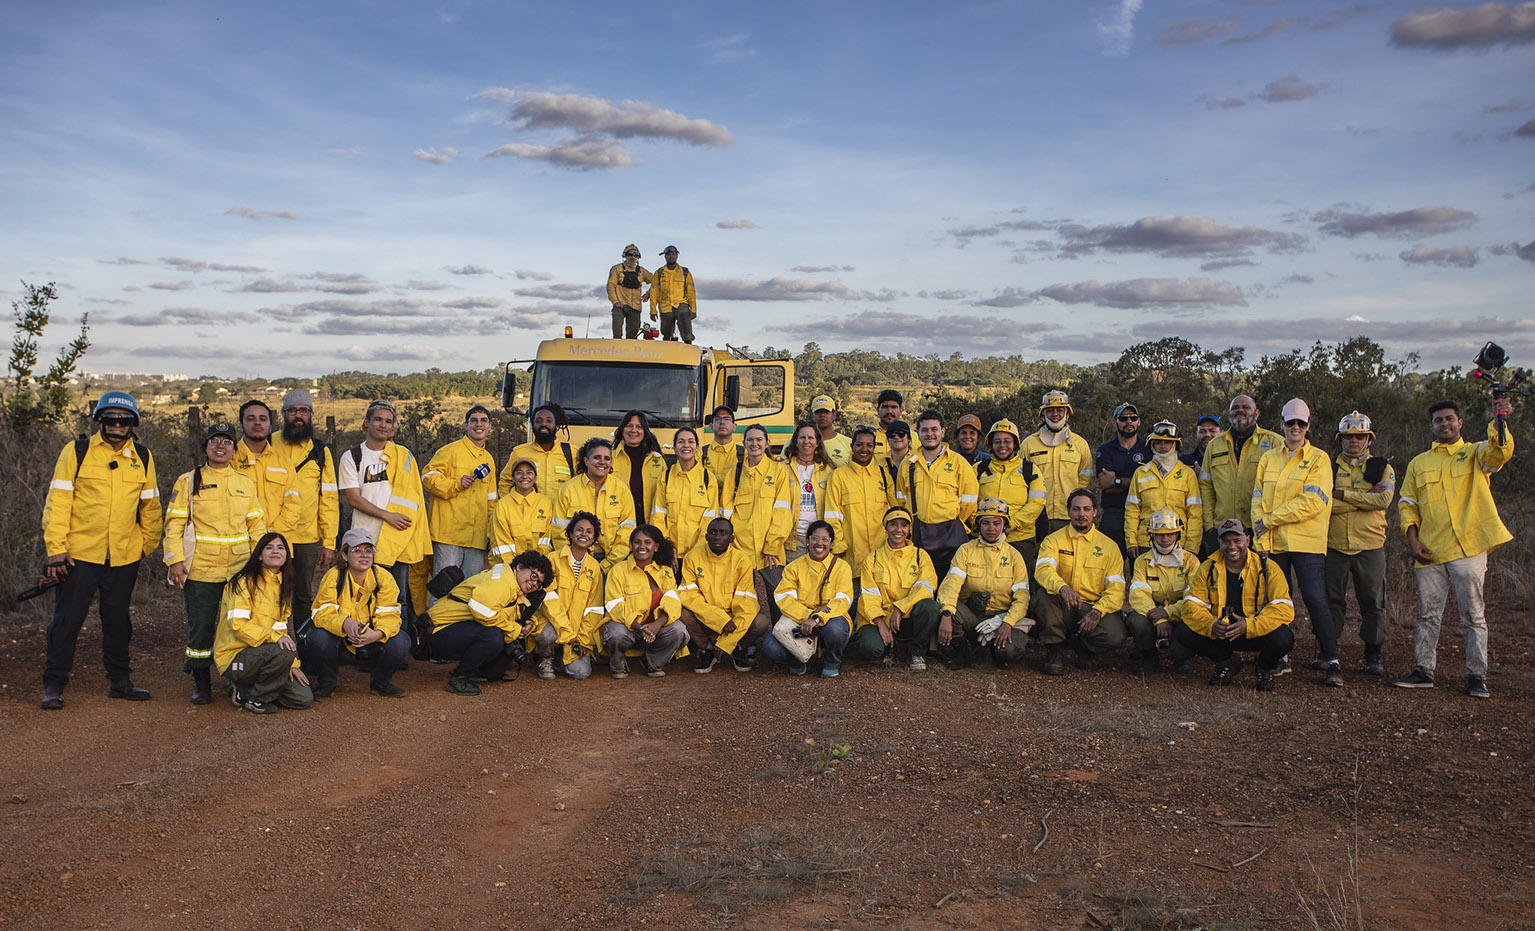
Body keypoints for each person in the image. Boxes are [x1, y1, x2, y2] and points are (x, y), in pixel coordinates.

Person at [39, 391, 163, 709]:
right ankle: (54, 684)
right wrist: (56, 549)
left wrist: (143, 547)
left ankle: (120, 682)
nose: (117, 425)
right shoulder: (77, 451)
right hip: (78, 555)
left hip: (124, 556)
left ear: (132, 423)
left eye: (123, 420)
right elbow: (58, 503)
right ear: (100, 420)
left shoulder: (143, 457)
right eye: (110, 419)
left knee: (118, 621)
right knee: (66, 621)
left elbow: (150, 508)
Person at [1393, 397, 1514, 699]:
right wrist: (1412, 540)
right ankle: (1423, 670)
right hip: (1430, 551)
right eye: (1438, 420)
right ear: (1432, 426)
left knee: (1473, 616)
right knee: (1428, 615)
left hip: (1468, 549)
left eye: (1449, 419)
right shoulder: (1419, 464)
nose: (1444, 424)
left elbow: (1498, 453)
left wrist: (1500, 418)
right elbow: (1407, 504)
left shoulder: (1474, 453)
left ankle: (1477, 676)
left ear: (1459, 422)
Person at [165, 422, 266, 704]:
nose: (220, 447)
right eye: (214, 441)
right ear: (206, 447)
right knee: (202, 627)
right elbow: (174, 524)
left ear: (235, 449)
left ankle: (236, 679)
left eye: (227, 442)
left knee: (239, 624)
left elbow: (256, 523)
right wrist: (175, 560)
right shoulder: (189, 481)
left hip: (239, 568)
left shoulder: (244, 483)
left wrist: (261, 559)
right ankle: (201, 682)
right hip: (201, 569)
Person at [1252, 398, 1340, 686]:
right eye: (1290, 422)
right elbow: (1257, 501)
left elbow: (1313, 502)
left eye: (1301, 423)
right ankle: (1281, 658)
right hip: (1273, 544)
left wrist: (1271, 519)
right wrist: (1260, 537)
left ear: (1308, 426)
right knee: (1277, 601)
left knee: (1315, 599)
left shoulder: (1319, 459)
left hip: (1307, 543)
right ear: (1282, 424)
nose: (1295, 427)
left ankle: (1332, 660)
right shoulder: (1269, 458)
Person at [337, 400, 432, 645]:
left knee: (396, 596)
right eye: (377, 419)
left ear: (394, 428)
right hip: (364, 539)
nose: (382, 424)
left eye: (388, 421)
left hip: (397, 538)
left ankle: (394, 646)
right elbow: (353, 499)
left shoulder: (404, 455)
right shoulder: (352, 457)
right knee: (364, 595)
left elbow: (415, 497)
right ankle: (362, 646)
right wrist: (387, 515)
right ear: (366, 423)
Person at [1179, 518, 1296, 692]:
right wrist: (1210, 625)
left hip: (1255, 631)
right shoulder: (1207, 568)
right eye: (1226, 541)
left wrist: (1249, 625)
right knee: (1183, 631)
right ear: (1219, 542)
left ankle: (1264, 669)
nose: (1231, 546)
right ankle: (1227, 662)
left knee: (1284, 637)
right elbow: (1191, 606)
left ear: (1247, 540)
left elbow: (1284, 609)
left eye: (1237, 541)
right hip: (1222, 632)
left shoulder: (1268, 568)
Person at [1326, 411, 1395, 676]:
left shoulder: (1381, 467)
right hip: (1334, 545)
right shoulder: (1328, 467)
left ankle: (1373, 654)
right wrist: (1363, 498)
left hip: (1370, 544)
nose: (1354, 440)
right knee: (1331, 600)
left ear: (1369, 438)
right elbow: (1323, 504)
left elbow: (1382, 501)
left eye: (1359, 436)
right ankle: (1328, 652)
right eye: (1348, 436)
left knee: (1373, 601)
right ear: (1340, 439)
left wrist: (1342, 494)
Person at [214, 532, 313, 714]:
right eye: (269, 547)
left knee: (302, 698)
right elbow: (238, 626)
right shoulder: (243, 582)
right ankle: (257, 699)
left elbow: (284, 629)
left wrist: (292, 665)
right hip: (235, 655)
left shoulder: (284, 586)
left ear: (286, 556)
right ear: (259, 555)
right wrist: (276, 642)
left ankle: (244, 690)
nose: (275, 551)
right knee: (283, 650)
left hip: (268, 655)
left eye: (280, 548)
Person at [430, 551, 554, 694]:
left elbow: (514, 612)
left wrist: (529, 623)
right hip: (438, 629)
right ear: (519, 566)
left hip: (459, 628)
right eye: (533, 576)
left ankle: (477, 670)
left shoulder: (515, 585)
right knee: (493, 636)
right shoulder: (502, 581)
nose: (534, 584)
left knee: (497, 668)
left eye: (539, 583)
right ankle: (459, 677)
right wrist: (515, 629)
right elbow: (482, 611)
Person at [1032, 488, 1126, 675]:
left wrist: (1098, 612)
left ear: (1095, 512)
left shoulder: (1109, 546)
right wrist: (1062, 588)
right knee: (1043, 597)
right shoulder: (1053, 540)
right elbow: (1043, 570)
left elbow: (1116, 590)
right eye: (1076, 509)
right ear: (1068, 511)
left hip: (1092, 606)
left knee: (1116, 634)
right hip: (1062, 603)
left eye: (1086, 509)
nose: (1081, 514)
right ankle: (1054, 652)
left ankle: (1084, 648)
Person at [307, 527, 408, 699]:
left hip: (371, 640)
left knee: (401, 642)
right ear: (345, 555)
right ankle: (327, 684)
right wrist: (345, 623)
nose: (364, 555)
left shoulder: (383, 577)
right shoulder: (334, 576)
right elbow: (321, 614)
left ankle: (381, 682)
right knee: (318, 638)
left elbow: (390, 614)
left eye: (369, 550)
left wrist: (377, 634)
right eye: (357, 550)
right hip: (341, 641)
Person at [272, 389, 339, 643]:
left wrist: (329, 542)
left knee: (301, 595)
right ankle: (272, 648)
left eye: (303, 411)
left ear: (311, 414)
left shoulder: (321, 452)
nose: (298, 416)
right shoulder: (268, 444)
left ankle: (304, 648)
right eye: (292, 411)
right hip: (271, 536)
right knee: (269, 593)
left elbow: (329, 500)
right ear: (283, 414)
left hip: (307, 538)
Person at [936, 498, 1031, 670]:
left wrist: (1007, 622)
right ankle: (961, 651)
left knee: (1009, 651)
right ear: (978, 525)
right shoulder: (966, 550)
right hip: (974, 616)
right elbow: (951, 584)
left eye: (996, 523)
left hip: (1002, 617)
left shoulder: (1014, 556)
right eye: (985, 523)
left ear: (1004, 526)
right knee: (951, 610)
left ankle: (994, 650)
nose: (991, 528)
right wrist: (946, 614)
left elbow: (1022, 597)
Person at [722, 424, 796, 625]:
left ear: (767, 443)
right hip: (740, 548)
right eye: (750, 440)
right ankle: (748, 642)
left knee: (779, 596)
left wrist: (772, 546)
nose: (754, 444)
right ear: (744, 443)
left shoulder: (778, 471)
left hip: (770, 551)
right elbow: (726, 512)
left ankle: (782, 639)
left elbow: (783, 511)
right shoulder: (735, 473)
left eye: (759, 440)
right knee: (743, 599)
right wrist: (730, 544)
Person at [852, 507, 942, 670]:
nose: (898, 530)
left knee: (930, 608)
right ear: (886, 528)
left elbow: (926, 588)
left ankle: (916, 652)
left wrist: (900, 609)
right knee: (870, 648)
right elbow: (868, 596)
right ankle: (887, 648)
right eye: (893, 524)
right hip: (880, 619)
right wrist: (880, 622)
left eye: (904, 525)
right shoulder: (873, 558)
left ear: (909, 529)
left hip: (907, 617)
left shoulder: (920, 555)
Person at [894, 410, 979, 578]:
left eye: (934, 429)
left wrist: (953, 523)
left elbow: (970, 502)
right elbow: (901, 502)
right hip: (918, 538)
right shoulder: (908, 464)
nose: (929, 434)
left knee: (952, 586)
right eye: (924, 430)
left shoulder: (958, 463)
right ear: (917, 433)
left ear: (943, 432)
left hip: (952, 540)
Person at [680, 517, 767, 673]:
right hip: (706, 618)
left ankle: (737, 648)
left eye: (722, 533)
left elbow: (746, 603)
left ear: (732, 538)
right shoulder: (692, 557)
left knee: (760, 622)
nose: (717, 537)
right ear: (706, 536)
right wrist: (719, 619)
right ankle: (706, 649)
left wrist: (727, 642)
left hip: (733, 623)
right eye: (712, 532)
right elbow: (688, 595)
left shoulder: (742, 561)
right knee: (683, 614)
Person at [768, 520, 854, 676]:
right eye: (814, 538)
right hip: (801, 621)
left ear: (832, 543)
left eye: (825, 539)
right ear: (808, 541)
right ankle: (798, 659)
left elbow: (843, 600)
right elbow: (784, 598)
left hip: (828, 621)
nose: (819, 543)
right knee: (770, 646)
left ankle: (832, 662)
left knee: (837, 630)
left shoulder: (842, 567)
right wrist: (807, 615)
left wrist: (817, 618)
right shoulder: (794, 567)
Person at [601, 524, 689, 677]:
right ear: (631, 545)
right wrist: (638, 627)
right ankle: (618, 664)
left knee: (679, 630)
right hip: (628, 628)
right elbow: (614, 606)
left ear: (656, 547)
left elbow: (673, 602)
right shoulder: (618, 570)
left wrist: (657, 624)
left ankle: (651, 662)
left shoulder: (665, 571)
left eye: (647, 542)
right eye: (637, 542)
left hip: (654, 629)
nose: (642, 546)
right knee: (616, 634)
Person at [423, 405, 498, 578]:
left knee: (467, 592)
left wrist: (489, 534)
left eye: (483, 421)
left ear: (489, 427)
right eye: (474, 421)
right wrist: (456, 484)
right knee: (443, 592)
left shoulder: (488, 460)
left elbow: (491, 501)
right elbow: (427, 478)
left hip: (476, 539)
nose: (479, 425)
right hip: (449, 536)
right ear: (466, 425)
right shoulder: (449, 451)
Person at [1200, 395, 1280, 556]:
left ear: (1256, 414)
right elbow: (1206, 486)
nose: (1240, 410)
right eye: (1235, 408)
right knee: (1223, 579)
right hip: (1222, 528)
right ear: (1229, 414)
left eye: (1246, 407)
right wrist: (1209, 525)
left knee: (1258, 578)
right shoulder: (1214, 445)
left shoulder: (1274, 443)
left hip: (1259, 528)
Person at [824, 426, 895, 601]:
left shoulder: (883, 475)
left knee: (881, 601)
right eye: (859, 445)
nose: (864, 449)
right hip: (851, 554)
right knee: (852, 602)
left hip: (881, 554)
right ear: (852, 446)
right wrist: (838, 547)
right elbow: (833, 515)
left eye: (869, 445)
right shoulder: (839, 476)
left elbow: (895, 511)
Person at [1125, 508, 1196, 676]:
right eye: (1159, 534)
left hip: (1179, 612)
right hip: (1153, 613)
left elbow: (1193, 597)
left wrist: (1167, 613)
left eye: (1170, 534)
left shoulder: (1191, 561)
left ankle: (1180, 658)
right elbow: (1138, 594)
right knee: (1136, 620)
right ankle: (1149, 658)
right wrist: (1159, 619)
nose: (1165, 539)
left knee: (1193, 618)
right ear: (1152, 536)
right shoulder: (1142, 561)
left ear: (1178, 535)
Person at [553, 438, 636, 573]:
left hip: (611, 564)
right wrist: (574, 561)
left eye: (607, 458)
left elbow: (627, 533)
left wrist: (607, 564)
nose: (602, 462)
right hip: (574, 562)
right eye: (597, 457)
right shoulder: (568, 489)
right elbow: (558, 533)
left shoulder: (621, 490)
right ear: (586, 461)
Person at [1124, 420, 1202, 562]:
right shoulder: (1141, 473)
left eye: (1167, 442)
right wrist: (1131, 541)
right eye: (1158, 442)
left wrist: (1192, 546)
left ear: (1175, 445)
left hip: (1179, 543)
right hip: (1146, 543)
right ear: (1152, 445)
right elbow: (1132, 510)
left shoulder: (1187, 474)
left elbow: (1195, 513)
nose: (1163, 446)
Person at [1022, 391, 1096, 538]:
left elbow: (1084, 481)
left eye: (1059, 410)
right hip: (1037, 516)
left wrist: (1077, 508)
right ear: (1043, 414)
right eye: (1050, 410)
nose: (1055, 414)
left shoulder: (1080, 445)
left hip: (1069, 516)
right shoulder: (1028, 444)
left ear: (1067, 413)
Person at [544, 512, 606, 680]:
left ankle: (561, 658)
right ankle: (545, 658)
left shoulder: (595, 567)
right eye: (579, 530)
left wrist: (583, 640)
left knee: (581, 673)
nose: (583, 534)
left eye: (589, 532)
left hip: (577, 633)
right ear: (570, 533)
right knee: (546, 635)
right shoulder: (552, 560)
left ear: (594, 539)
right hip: (554, 624)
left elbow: (595, 609)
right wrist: (567, 633)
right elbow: (548, 602)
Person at [977, 419, 1046, 567]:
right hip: (984, 540)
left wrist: (1009, 525)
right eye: (998, 442)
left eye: (1007, 441)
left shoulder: (1030, 470)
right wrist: (981, 528)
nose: (1002, 446)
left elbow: (1036, 504)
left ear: (1015, 444)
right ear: (991, 444)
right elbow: (968, 502)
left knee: (1021, 584)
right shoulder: (978, 469)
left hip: (1021, 540)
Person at [233, 399, 300, 537]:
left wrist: (271, 536)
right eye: (250, 419)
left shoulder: (283, 462)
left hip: (278, 544)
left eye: (263, 419)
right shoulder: (230, 460)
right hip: (240, 545)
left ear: (270, 425)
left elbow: (293, 505)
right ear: (241, 424)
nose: (257, 423)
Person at [654, 426, 719, 558]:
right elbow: (658, 517)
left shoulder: (708, 479)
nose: (686, 445)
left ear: (697, 447)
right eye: (681, 442)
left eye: (690, 441)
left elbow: (710, 518)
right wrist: (667, 549)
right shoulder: (665, 478)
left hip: (699, 554)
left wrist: (698, 550)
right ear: (674, 447)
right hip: (670, 554)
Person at [1096, 402, 1148, 558]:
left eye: (1133, 417)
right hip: (1113, 516)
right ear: (1115, 422)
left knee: (1141, 570)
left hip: (1142, 516)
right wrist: (1137, 482)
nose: (1129, 422)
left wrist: (1116, 481)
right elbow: (1105, 485)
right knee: (1108, 568)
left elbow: (1149, 484)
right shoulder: (1105, 450)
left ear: (1138, 421)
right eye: (1123, 418)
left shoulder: (1148, 447)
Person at [498, 403, 575, 498]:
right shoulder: (519, 453)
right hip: (528, 512)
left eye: (549, 421)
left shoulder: (572, 453)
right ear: (533, 425)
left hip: (561, 512)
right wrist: (508, 507)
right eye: (539, 421)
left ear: (557, 426)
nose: (544, 424)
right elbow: (506, 482)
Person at [782, 421, 833, 561]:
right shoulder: (782, 469)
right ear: (796, 442)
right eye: (802, 438)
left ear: (817, 443)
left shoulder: (828, 470)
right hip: (792, 539)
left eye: (811, 438)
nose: (806, 441)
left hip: (819, 539)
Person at [610, 410, 669, 524]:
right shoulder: (609, 458)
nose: (634, 430)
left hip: (648, 527)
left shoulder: (657, 460)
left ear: (645, 431)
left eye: (639, 427)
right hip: (617, 526)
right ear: (622, 430)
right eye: (629, 426)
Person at [491, 457, 554, 563]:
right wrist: (517, 569)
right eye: (519, 473)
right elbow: (501, 546)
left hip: (538, 568)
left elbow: (546, 542)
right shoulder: (502, 505)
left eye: (529, 472)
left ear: (535, 477)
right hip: (508, 568)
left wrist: (535, 567)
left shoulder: (545, 504)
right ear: (513, 478)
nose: (525, 476)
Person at [650, 245, 697, 343]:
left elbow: (691, 292)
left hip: (680, 303)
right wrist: (653, 311)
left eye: (673, 254)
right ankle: (668, 346)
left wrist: (693, 310)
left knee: (684, 315)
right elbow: (654, 293)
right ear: (665, 256)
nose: (671, 256)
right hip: (665, 305)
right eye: (668, 254)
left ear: (676, 256)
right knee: (667, 332)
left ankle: (688, 343)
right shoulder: (659, 273)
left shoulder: (685, 272)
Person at [607, 243, 654, 340]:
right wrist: (616, 302)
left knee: (632, 336)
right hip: (620, 304)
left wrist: (649, 293)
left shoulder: (641, 271)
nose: (632, 257)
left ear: (638, 257)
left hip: (635, 306)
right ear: (625, 256)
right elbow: (610, 286)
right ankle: (616, 347)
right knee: (617, 329)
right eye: (630, 255)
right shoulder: (617, 269)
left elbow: (655, 281)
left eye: (635, 255)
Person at [703, 405, 743, 488]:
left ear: (734, 426)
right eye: (717, 419)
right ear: (711, 426)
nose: (722, 422)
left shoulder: (744, 454)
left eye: (727, 419)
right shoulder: (700, 453)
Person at [810, 395, 852, 467]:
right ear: (812, 416)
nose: (822, 415)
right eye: (818, 412)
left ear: (834, 415)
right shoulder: (799, 442)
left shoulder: (849, 444)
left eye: (826, 412)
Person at [873, 389, 904, 465]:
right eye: (885, 407)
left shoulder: (913, 438)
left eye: (893, 407)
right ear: (877, 410)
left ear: (901, 410)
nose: (889, 411)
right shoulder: (870, 436)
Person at [883, 419, 912, 486]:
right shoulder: (879, 464)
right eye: (892, 435)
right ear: (888, 440)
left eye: (901, 434)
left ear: (909, 439)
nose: (896, 437)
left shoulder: (918, 462)